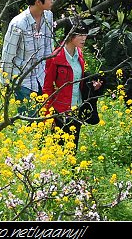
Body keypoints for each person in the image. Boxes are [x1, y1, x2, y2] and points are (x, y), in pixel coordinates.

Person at [42, 17, 104, 148]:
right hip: (60, 111)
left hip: (77, 109)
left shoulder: (79, 54)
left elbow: (79, 81)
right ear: (70, 35)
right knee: (57, 150)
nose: (84, 38)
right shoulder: (55, 58)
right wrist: (47, 115)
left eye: (85, 34)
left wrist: (92, 86)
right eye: (80, 35)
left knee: (72, 149)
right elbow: (47, 87)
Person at [0, 0, 56, 116]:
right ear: (38, 2)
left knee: (42, 120)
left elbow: (49, 47)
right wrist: (5, 82)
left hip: (41, 77)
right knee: (30, 121)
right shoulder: (18, 24)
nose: (52, 1)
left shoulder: (48, 16)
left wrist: (51, 75)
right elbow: (8, 53)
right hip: (22, 80)